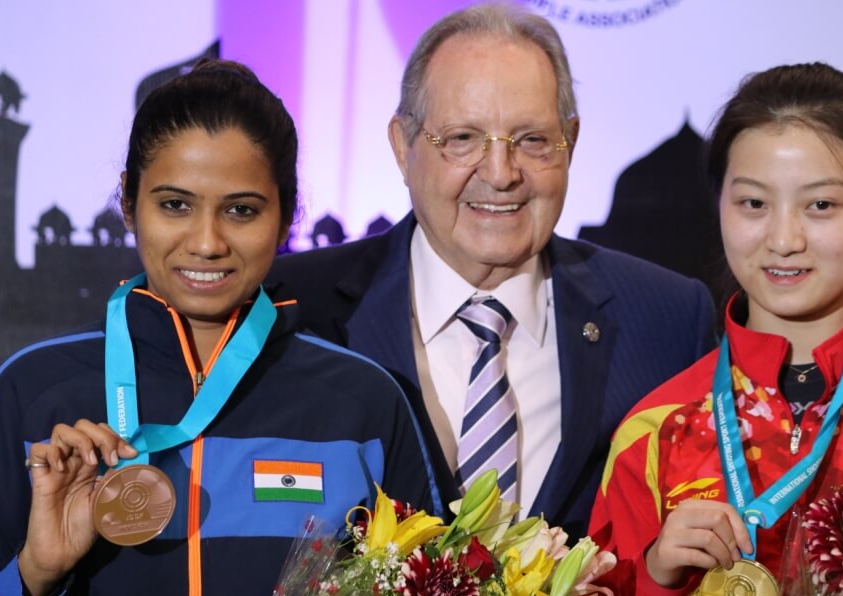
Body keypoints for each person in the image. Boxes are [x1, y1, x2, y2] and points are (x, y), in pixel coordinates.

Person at [0, 60, 440, 596]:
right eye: (175, 204)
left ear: (285, 217)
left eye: (241, 210)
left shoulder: (364, 401)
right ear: (128, 202)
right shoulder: (31, 392)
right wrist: (36, 575)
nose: (207, 242)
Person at [266, 3, 718, 536]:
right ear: (401, 145)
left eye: (531, 140)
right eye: (462, 138)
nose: (501, 174)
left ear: (570, 143)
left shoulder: (668, 321)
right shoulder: (293, 307)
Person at [588, 62, 843, 596]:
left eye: (821, 206)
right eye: (754, 204)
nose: (784, 240)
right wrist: (660, 577)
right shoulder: (656, 431)